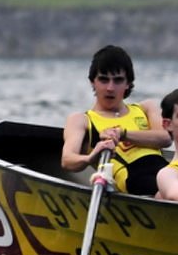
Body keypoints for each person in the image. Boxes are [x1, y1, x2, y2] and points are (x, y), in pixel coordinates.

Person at [61, 44, 170, 195]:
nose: (110, 88)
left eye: (118, 80)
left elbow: (165, 138)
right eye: (103, 80)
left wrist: (122, 134)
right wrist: (91, 157)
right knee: (173, 191)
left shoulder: (146, 108)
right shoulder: (82, 120)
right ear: (93, 82)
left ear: (128, 84)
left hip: (165, 171)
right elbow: (67, 160)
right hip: (134, 179)